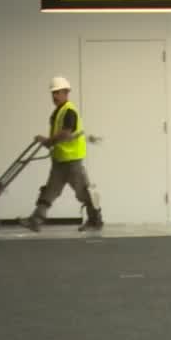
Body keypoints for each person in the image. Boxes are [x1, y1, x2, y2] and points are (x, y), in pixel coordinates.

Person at [18, 76, 103, 232]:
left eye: (58, 92)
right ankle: (36, 220)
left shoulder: (69, 111)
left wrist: (48, 141)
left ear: (66, 92)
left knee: (84, 193)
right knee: (49, 191)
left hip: (72, 161)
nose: (55, 96)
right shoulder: (58, 112)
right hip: (59, 161)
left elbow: (66, 133)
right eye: (53, 93)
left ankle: (95, 221)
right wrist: (49, 142)